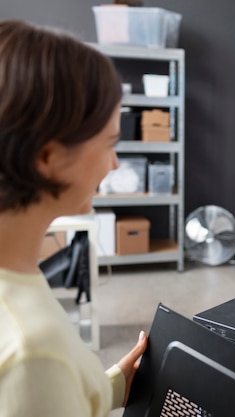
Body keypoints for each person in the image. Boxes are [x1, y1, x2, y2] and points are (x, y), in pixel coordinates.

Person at [0, 20, 147, 416]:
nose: (115, 164)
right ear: (46, 157)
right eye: (110, 143)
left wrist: (111, 384)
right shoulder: (33, 352)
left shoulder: (16, 282)